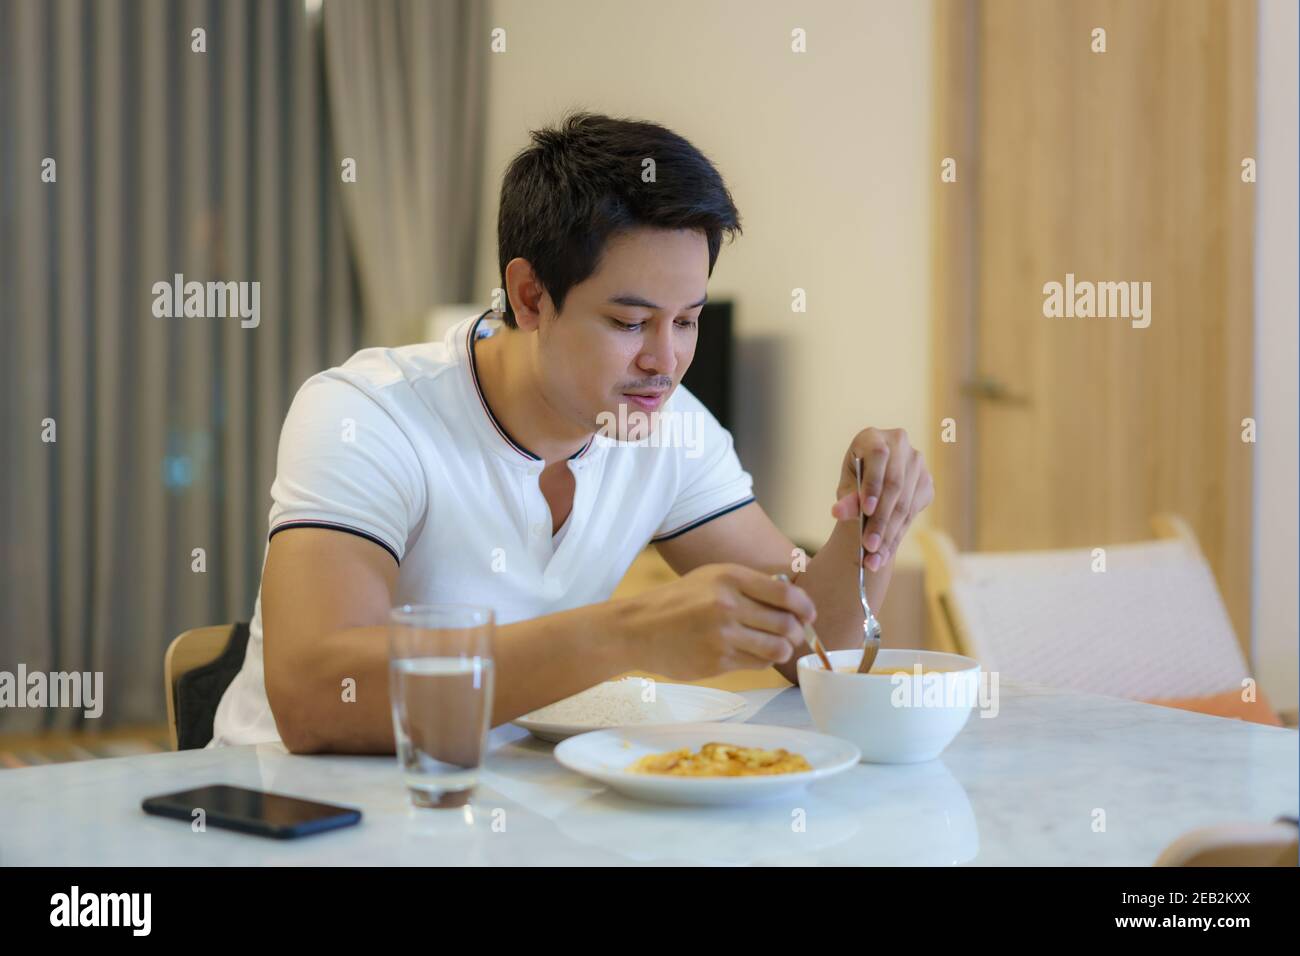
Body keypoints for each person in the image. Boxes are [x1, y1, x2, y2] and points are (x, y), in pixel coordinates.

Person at [209, 111, 933, 753]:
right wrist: (627, 635)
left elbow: (814, 647)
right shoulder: (369, 415)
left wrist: (869, 524)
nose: (666, 360)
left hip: (503, 812)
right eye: (628, 322)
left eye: (687, 320)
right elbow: (314, 698)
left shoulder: (671, 430)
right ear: (530, 296)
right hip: (299, 812)